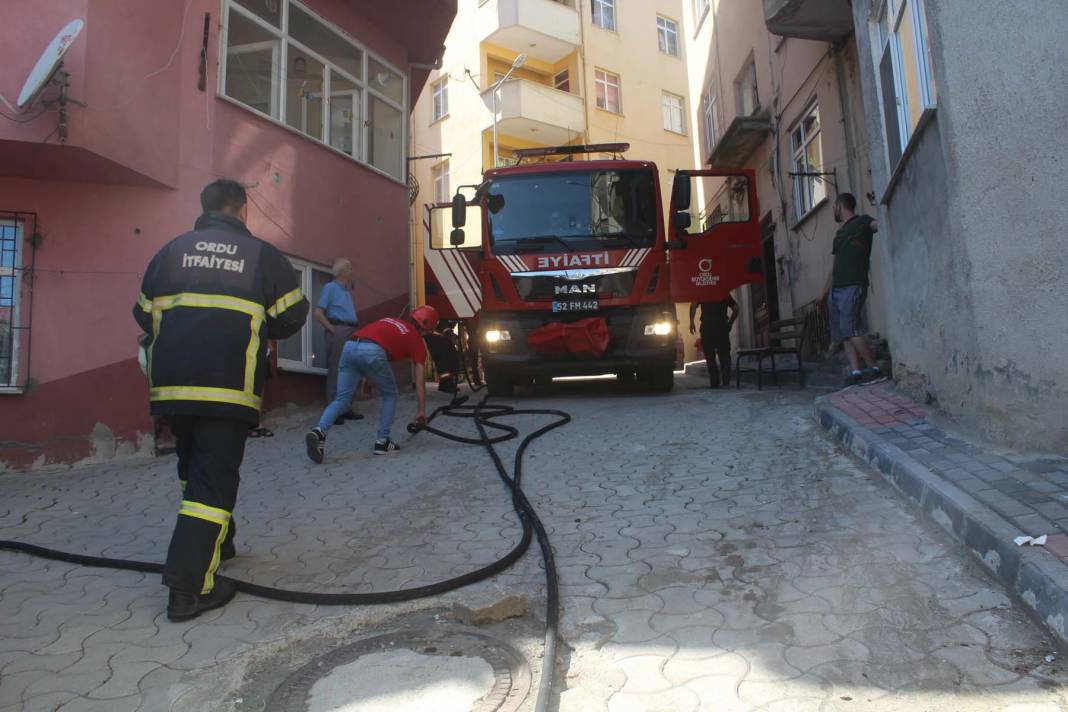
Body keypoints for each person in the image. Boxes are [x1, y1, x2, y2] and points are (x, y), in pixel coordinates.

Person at [134, 179, 308, 621]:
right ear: (243, 210)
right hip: (227, 387)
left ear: (204, 207)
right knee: (212, 484)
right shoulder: (262, 257)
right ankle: (187, 590)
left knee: (192, 470)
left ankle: (220, 544)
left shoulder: (170, 252)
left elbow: (142, 313)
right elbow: (292, 316)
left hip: (171, 388)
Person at [305, 306, 438, 463]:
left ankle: (319, 432)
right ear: (428, 329)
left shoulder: (391, 319)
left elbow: (375, 342)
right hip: (372, 352)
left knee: (341, 399)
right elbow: (420, 382)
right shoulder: (417, 342)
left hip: (350, 347)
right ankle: (382, 442)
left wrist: (367, 378)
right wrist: (421, 410)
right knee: (390, 394)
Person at [822, 192, 882, 385]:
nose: (833, 209)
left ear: (840, 205)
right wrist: (824, 292)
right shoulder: (839, 234)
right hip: (836, 289)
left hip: (853, 284)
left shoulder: (862, 222)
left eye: (833, 206)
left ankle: (875, 369)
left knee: (852, 328)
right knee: (844, 333)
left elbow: (877, 225)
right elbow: (834, 265)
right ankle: (856, 372)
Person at [315, 258, 363, 423]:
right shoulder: (330, 288)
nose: (352, 270)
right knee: (337, 369)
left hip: (350, 330)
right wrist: (333, 330)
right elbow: (318, 313)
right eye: (349, 267)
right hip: (339, 330)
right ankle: (333, 410)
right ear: (342, 271)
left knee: (352, 368)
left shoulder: (346, 291)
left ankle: (346, 407)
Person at [689, 295, 739, 388]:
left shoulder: (703, 292)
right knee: (724, 355)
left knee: (710, 357)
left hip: (707, 327)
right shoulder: (723, 292)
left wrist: (691, 322)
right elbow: (736, 308)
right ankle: (726, 380)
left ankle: (715, 382)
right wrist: (730, 323)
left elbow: (693, 304)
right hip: (722, 326)